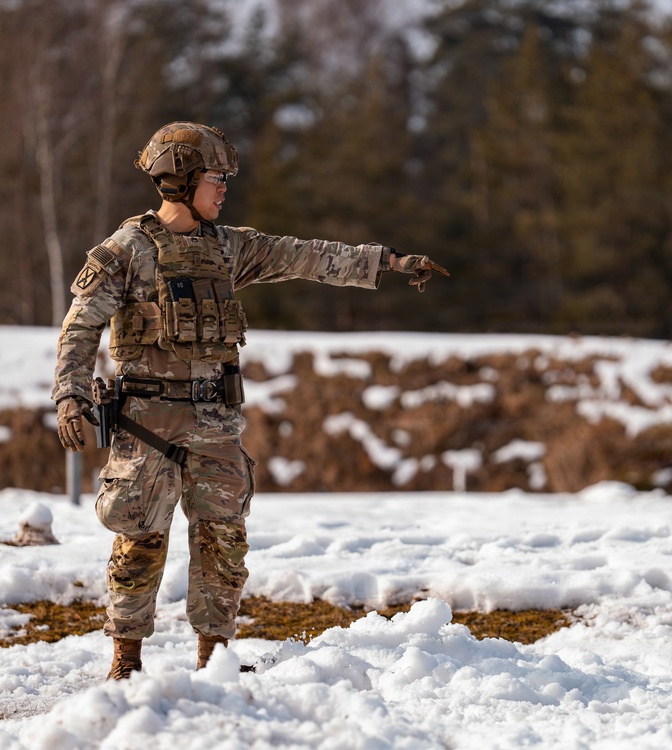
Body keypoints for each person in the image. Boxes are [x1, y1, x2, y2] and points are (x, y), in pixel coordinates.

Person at [52, 122, 448, 680]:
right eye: (216, 178)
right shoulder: (127, 251)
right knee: (139, 543)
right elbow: (78, 329)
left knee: (223, 542)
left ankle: (214, 662)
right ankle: (126, 664)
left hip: (215, 423)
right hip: (147, 425)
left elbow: (306, 255)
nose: (224, 189)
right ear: (181, 179)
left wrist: (388, 261)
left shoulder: (228, 247)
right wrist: (70, 394)